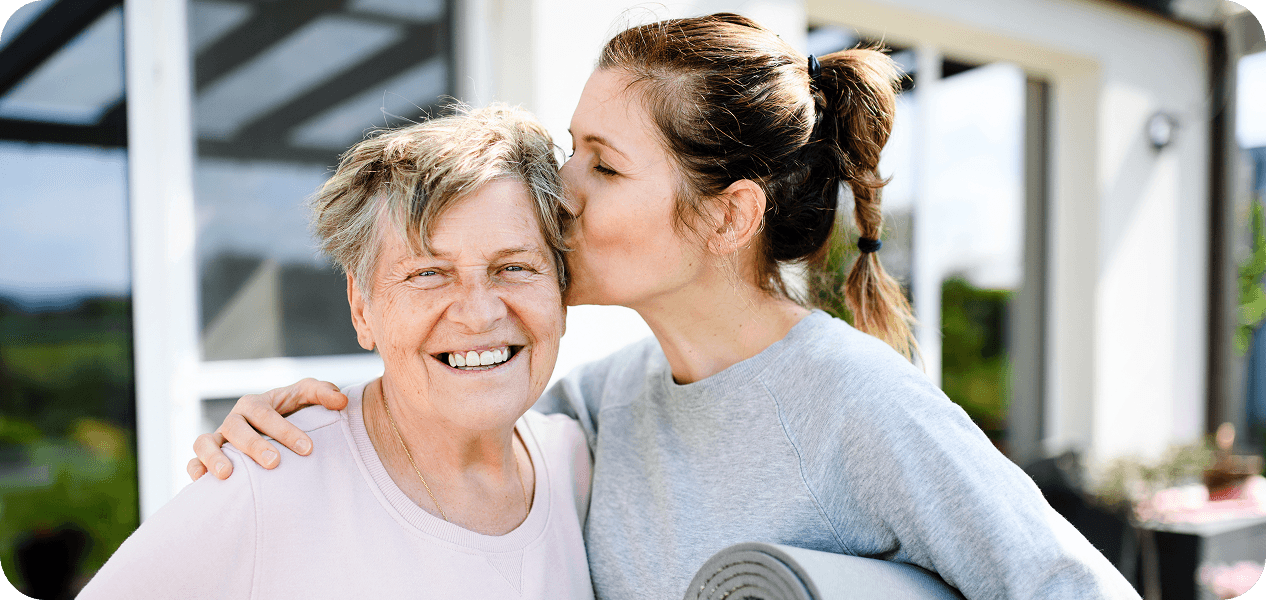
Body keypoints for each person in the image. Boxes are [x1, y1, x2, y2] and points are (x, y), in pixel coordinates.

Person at [192, 14, 1141, 600]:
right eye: (572, 149)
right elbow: (452, 408)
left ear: (728, 216)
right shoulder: (608, 399)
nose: (560, 190)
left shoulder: (859, 405)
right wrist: (316, 421)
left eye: (604, 166)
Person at [80, 105, 594, 599]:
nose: (479, 314)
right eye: (428, 274)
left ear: (562, 295)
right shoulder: (264, 484)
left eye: (515, 268)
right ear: (361, 308)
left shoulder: (575, 462)